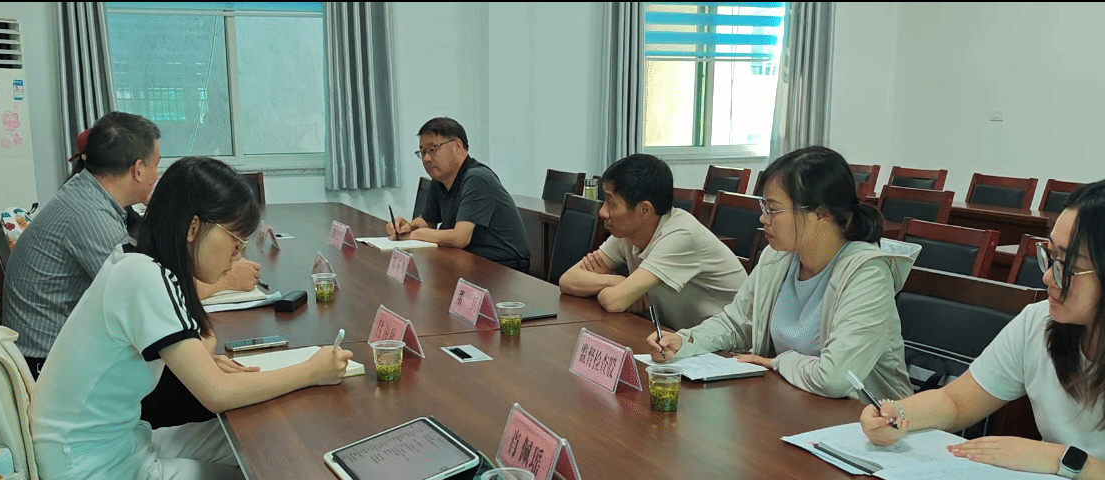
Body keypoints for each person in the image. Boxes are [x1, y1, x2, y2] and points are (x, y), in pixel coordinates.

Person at [31, 157, 354, 480]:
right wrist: (311, 370)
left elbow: (192, 347)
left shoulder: (137, 262)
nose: (237, 255)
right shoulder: (145, 280)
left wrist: (204, 360)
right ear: (193, 227)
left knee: (244, 446)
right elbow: (215, 394)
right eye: (235, 241)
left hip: (99, 451)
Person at [859, 180, 1105, 480]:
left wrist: (1061, 460)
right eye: (1049, 256)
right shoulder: (1040, 323)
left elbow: (1060, 460)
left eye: (1067, 265)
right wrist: (898, 415)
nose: (1049, 276)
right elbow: (957, 400)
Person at [646, 146, 919, 399]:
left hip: (866, 421)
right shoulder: (777, 257)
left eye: (773, 209)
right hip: (792, 402)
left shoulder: (868, 274)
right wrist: (684, 341)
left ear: (821, 214)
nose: (763, 218)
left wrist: (776, 362)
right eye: (764, 207)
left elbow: (835, 378)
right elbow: (736, 324)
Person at [3, 112, 261, 379]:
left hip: (62, 354)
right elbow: (146, 297)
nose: (157, 175)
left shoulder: (93, 197)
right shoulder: (90, 216)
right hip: (47, 367)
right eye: (156, 165)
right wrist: (226, 282)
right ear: (138, 169)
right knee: (201, 378)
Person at [557, 154, 746, 329]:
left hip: (730, 347)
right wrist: (617, 280)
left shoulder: (680, 235)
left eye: (611, 203)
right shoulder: (627, 233)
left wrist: (614, 288)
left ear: (645, 210)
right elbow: (568, 280)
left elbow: (612, 301)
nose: (602, 212)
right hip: (680, 337)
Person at [385, 117, 532, 271]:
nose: (426, 159)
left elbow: (460, 238)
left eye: (433, 149)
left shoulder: (477, 178)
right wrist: (407, 227)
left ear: (457, 146)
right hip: (468, 260)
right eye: (422, 152)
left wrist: (415, 234)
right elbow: (429, 220)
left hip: (503, 268)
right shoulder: (439, 179)